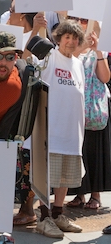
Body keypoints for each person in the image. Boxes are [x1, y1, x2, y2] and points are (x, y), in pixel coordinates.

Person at [22, 18, 86, 238]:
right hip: (51, 130)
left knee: (65, 177)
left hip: (72, 132)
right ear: (59, 38)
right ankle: (44, 218)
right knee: (46, 176)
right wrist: (36, 28)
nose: (71, 41)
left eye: (75, 38)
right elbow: (25, 56)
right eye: (67, 37)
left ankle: (58, 214)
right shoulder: (49, 55)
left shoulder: (78, 64)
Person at [67, 19, 111, 210]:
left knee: (94, 151)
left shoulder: (101, 51)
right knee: (78, 152)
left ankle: (95, 195)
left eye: (86, 21)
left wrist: (98, 51)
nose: (83, 25)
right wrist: (81, 47)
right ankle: (79, 194)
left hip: (94, 110)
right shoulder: (71, 51)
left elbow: (105, 77)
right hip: (75, 109)